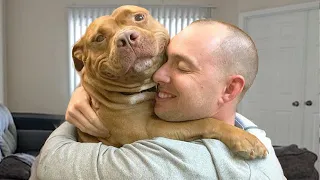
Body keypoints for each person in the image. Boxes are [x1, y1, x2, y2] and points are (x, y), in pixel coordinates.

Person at [34, 20, 285, 180]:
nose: (157, 74)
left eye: (183, 68)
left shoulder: (158, 166)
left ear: (230, 89)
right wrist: (87, 89)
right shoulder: (251, 131)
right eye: (164, 59)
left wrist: (82, 104)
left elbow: (46, 163)